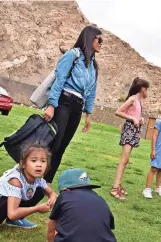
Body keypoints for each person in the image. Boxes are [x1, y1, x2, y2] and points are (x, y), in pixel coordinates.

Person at [43, 26, 103, 185]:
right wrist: (51, 105)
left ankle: (46, 183)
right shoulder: (72, 55)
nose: (101, 44)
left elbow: (91, 92)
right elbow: (59, 80)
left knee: (62, 147)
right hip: (64, 102)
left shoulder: (94, 67)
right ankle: (32, 176)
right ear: (90, 38)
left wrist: (88, 114)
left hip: (77, 108)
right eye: (99, 40)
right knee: (54, 143)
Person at [0, 141, 57, 235]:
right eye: (34, 160)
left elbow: (51, 192)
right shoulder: (16, 180)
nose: (39, 164)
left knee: (40, 191)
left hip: (7, 207)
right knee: (8, 201)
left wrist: (52, 197)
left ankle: (15, 220)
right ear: (23, 164)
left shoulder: (37, 179)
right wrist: (37, 208)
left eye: (43, 161)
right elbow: (12, 214)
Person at [47, 168, 116, 242]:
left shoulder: (64, 195)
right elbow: (108, 226)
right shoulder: (100, 199)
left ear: (65, 190)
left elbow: (52, 225)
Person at [110, 77, 150, 200]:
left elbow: (134, 115)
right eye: (147, 90)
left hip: (135, 130)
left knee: (126, 160)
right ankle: (115, 188)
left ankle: (119, 185)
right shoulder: (132, 99)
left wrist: (140, 119)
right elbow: (118, 111)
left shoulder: (138, 102)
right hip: (129, 130)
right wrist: (132, 119)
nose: (147, 92)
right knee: (123, 160)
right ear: (143, 89)